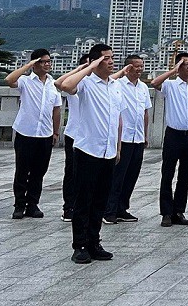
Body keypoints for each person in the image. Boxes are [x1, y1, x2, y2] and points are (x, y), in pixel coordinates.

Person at [56, 43, 120, 264]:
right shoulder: (86, 83)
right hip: (87, 150)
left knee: (100, 201)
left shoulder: (115, 86)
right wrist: (90, 67)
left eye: (112, 58)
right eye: (106, 58)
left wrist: (118, 148)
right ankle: (80, 245)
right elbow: (65, 85)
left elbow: (117, 120)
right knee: (84, 201)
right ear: (95, 61)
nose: (111, 62)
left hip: (108, 151)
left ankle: (94, 242)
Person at [150, 51, 188, 226]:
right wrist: (173, 71)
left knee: (186, 175)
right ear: (178, 66)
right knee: (167, 173)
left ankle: (179, 210)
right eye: (185, 64)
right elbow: (154, 83)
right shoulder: (170, 85)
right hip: (174, 135)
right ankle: (166, 212)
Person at [5, 48, 60, 219]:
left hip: (45, 134)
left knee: (39, 172)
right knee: (22, 171)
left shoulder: (53, 84)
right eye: (43, 61)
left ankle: (33, 204)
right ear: (35, 63)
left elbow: (56, 110)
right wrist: (28, 66)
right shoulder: (25, 81)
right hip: (25, 133)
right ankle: (19, 205)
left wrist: (56, 132)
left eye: (49, 61)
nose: (47, 64)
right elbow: (9, 80)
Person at [103, 53, 151, 223]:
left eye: (141, 66)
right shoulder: (118, 84)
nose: (139, 69)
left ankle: (122, 208)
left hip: (138, 137)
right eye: (136, 66)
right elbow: (109, 81)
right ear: (128, 67)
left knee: (131, 175)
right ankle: (109, 210)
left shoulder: (143, 87)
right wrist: (122, 72)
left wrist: (145, 134)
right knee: (117, 176)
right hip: (123, 138)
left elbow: (145, 113)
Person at [59, 51, 89, 221]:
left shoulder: (100, 84)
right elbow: (60, 83)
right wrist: (80, 69)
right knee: (71, 172)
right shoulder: (75, 83)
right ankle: (69, 206)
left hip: (91, 136)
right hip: (74, 134)